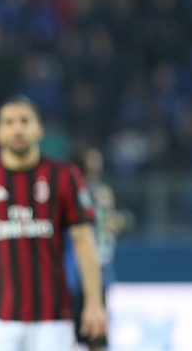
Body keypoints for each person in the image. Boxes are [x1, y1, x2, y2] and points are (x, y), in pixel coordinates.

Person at [0, 95, 105, 351]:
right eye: (9, 122)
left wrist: (94, 302)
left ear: (39, 129)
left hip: (54, 319)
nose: (17, 128)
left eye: (24, 121)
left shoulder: (64, 177)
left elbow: (85, 243)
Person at [63, 146, 129, 351]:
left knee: (97, 336)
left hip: (99, 274)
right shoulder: (71, 193)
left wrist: (118, 220)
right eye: (92, 161)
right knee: (67, 336)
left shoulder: (102, 192)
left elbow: (112, 223)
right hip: (72, 277)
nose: (97, 166)